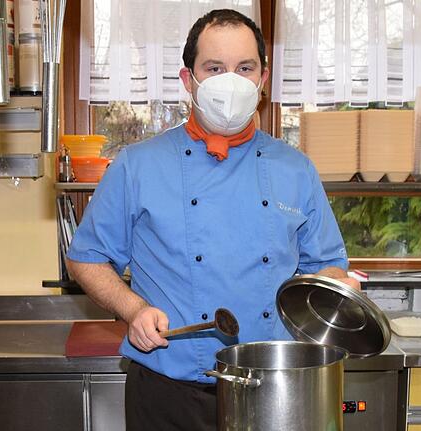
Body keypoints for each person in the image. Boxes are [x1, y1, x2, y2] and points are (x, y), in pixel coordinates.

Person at [66, 8, 359, 431]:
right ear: (189, 81)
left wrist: (334, 286)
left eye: (244, 68)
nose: (231, 81)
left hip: (274, 389)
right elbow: (86, 258)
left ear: (262, 79)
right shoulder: (137, 166)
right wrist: (135, 310)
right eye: (215, 68)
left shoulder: (296, 170)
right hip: (169, 390)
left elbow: (326, 266)